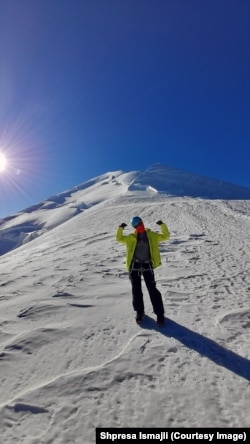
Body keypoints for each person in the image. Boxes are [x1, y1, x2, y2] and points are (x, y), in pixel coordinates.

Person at [116, 216, 170, 326]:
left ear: (142, 222)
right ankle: (139, 312)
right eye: (135, 225)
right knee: (136, 289)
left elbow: (166, 236)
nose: (138, 226)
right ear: (134, 227)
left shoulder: (152, 235)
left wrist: (162, 225)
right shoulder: (131, 237)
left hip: (147, 265)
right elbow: (119, 238)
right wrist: (120, 228)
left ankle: (159, 314)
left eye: (139, 223)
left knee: (152, 289)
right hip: (134, 265)